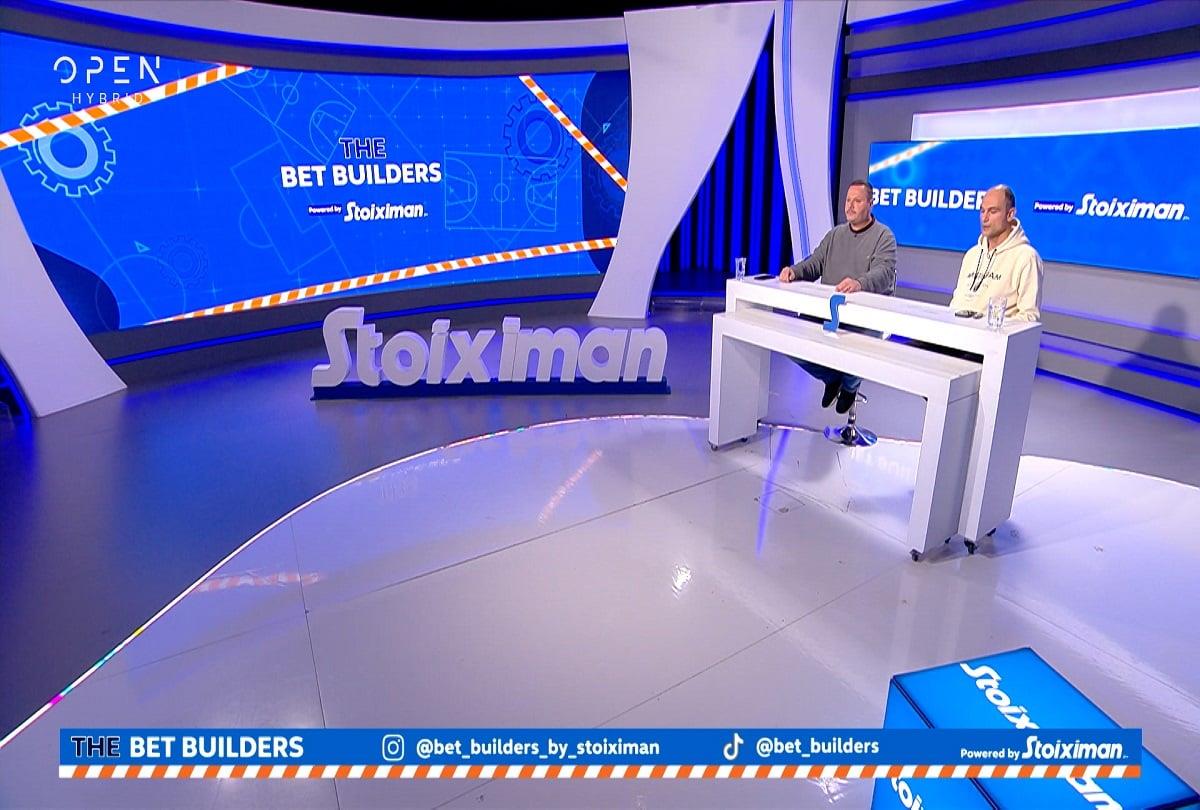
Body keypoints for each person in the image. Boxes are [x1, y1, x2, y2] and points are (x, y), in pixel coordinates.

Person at [778, 179, 896, 413]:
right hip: (829, 313)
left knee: (860, 349)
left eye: (857, 201)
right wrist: (794, 271)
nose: (850, 206)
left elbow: (883, 273)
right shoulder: (835, 235)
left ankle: (850, 387)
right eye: (848, 200)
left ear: (870, 204)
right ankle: (832, 378)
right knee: (789, 342)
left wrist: (859, 283)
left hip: (864, 318)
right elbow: (815, 262)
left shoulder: (884, 236)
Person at [950, 184, 1042, 322]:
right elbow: (955, 304)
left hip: (994, 334)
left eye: (992, 212)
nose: (985, 218)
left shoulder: (1026, 257)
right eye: (982, 211)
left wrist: (990, 325)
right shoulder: (972, 254)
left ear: (1010, 214)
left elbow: (1029, 317)